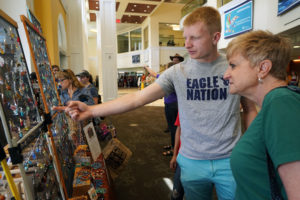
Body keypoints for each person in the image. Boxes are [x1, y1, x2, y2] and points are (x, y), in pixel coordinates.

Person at [53, 7, 257, 200]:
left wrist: (251, 150)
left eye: (194, 37)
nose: (187, 44)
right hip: (192, 160)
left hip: (231, 160)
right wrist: (91, 110)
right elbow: (136, 98)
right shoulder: (178, 72)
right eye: (185, 37)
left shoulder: (235, 67)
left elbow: (249, 109)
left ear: (215, 37)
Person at [224, 30, 300, 199]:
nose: (226, 74)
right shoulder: (273, 104)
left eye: (233, 65)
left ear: (263, 68)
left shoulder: (281, 103)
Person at [145, 61, 180, 156]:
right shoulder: (175, 77)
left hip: (172, 105)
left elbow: (154, 74)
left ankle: (174, 149)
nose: (165, 70)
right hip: (172, 104)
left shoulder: (170, 78)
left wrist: (147, 67)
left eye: (166, 68)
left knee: (173, 128)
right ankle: (173, 145)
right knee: (172, 127)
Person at [170, 113, 184, 200]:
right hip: (183, 156)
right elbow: (179, 130)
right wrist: (175, 155)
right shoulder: (186, 103)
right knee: (177, 193)